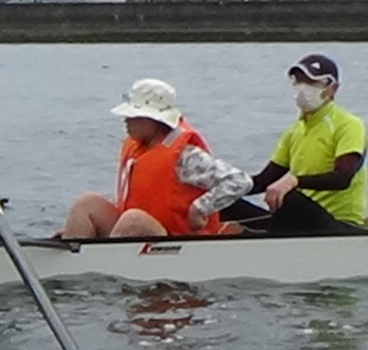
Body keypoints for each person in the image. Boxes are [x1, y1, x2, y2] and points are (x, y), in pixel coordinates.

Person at [61, 78, 251, 239]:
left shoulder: (185, 156)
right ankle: (75, 252)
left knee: (133, 220)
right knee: (86, 203)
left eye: (133, 116)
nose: (126, 120)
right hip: (135, 233)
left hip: (177, 240)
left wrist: (200, 208)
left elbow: (239, 181)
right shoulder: (138, 150)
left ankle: (103, 262)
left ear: (154, 120)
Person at [221, 53, 368, 235]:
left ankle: (256, 237)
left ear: (333, 89)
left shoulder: (349, 125)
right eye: (300, 81)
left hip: (338, 223)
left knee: (288, 197)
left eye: (313, 82)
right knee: (220, 201)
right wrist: (220, 187)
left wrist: (294, 180)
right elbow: (264, 181)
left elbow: (342, 178)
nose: (304, 88)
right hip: (301, 222)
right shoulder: (294, 131)